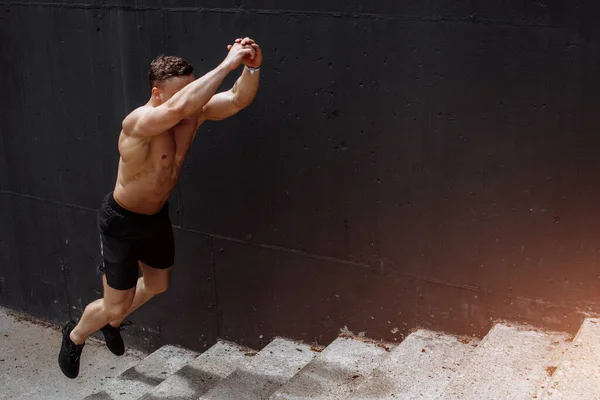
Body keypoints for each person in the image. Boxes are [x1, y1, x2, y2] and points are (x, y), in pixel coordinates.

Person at [58, 37, 262, 379]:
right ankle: (76, 334)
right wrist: (226, 65)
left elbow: (239, 98)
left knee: (157, 284)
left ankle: (114, 322)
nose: (193, 98)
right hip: (120, 221)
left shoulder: (193, 115)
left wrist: (251, 66)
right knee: (114, 304)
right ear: (157, 93)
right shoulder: (139, 123)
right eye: (184, 92)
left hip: (155, 218)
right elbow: (176, 109)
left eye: (193, 89)